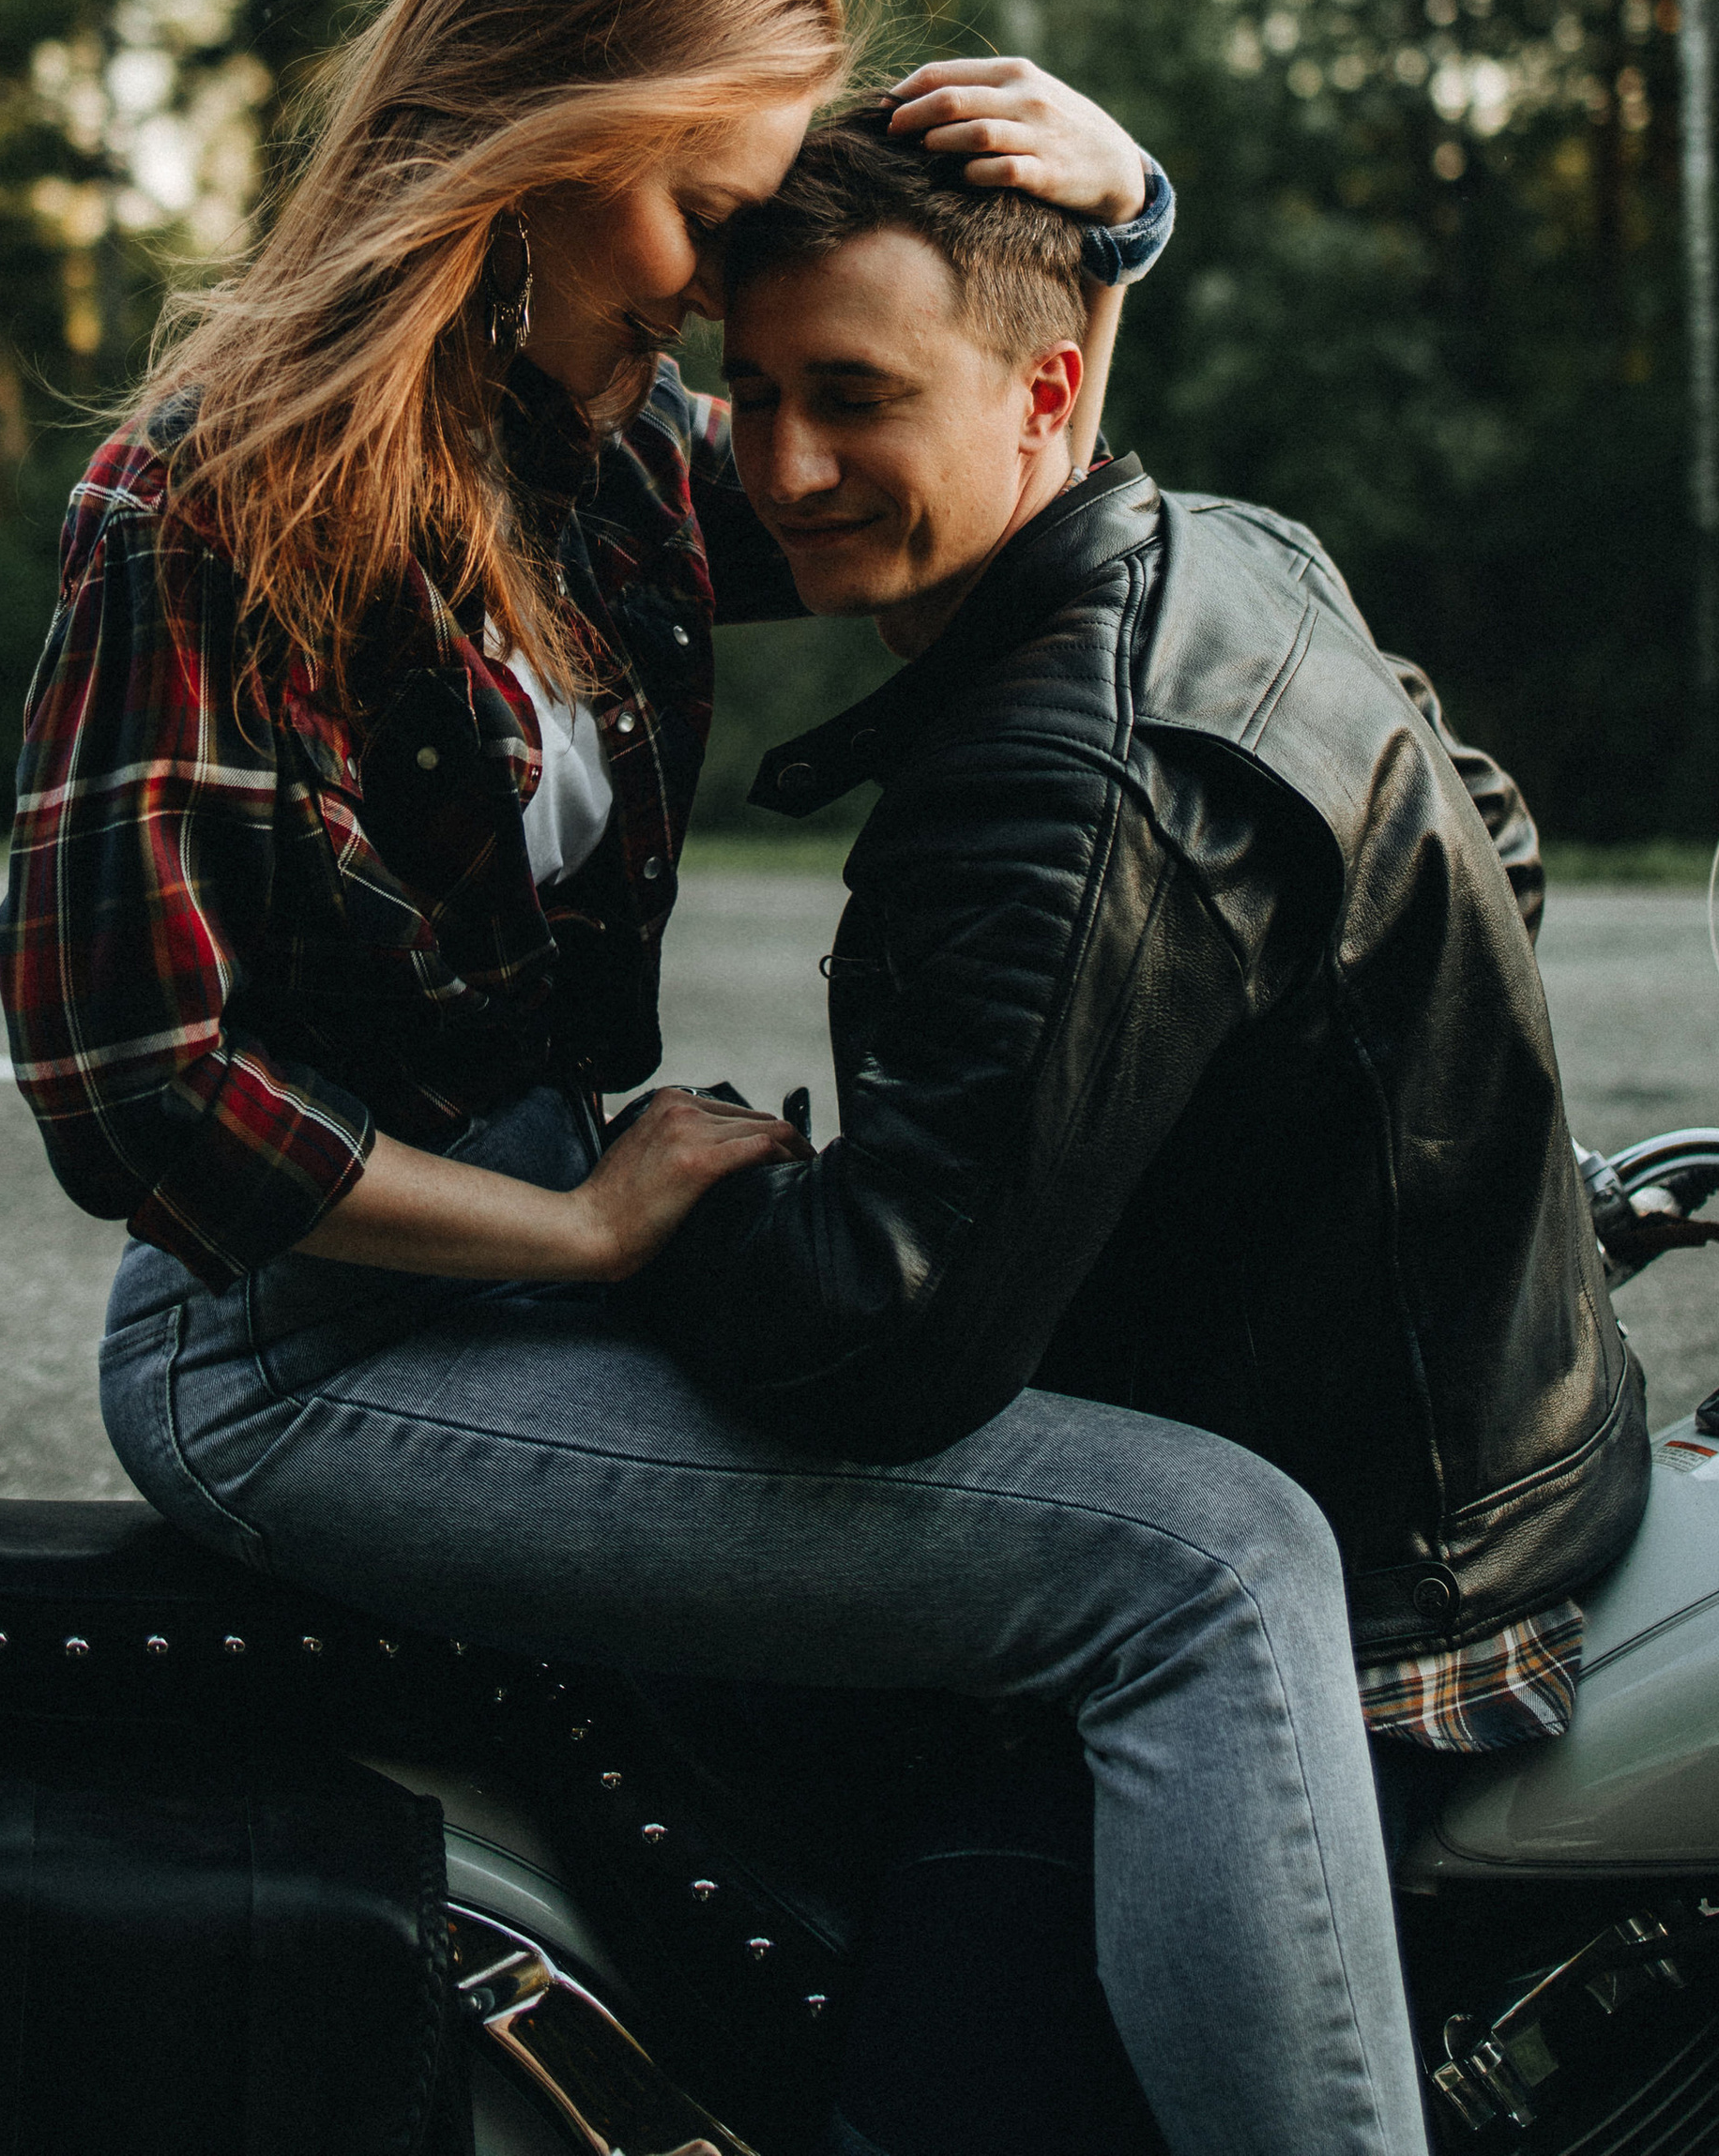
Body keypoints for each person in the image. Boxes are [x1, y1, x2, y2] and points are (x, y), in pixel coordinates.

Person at [0, 0, 1432, 2156]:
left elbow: (956, 465)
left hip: (516, 1279)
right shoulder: (215, 497)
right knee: (1204, 1562)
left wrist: (1118, 222)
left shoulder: (609, 459)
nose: (729, 284)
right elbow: (139, 1090)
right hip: (300, 1358)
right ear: (547, 143)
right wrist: (571, 1233)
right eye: (709, 207)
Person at [647, 103, 1650, 1784]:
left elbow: (882, 1337)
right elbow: (1498, 844)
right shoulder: (1244, 550)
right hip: (1531, 1466)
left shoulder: (1055, 776)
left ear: (1046, 395)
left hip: (1382, 1613)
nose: (786, 468)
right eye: (751, 394)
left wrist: (652, 1203)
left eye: (856, 397)